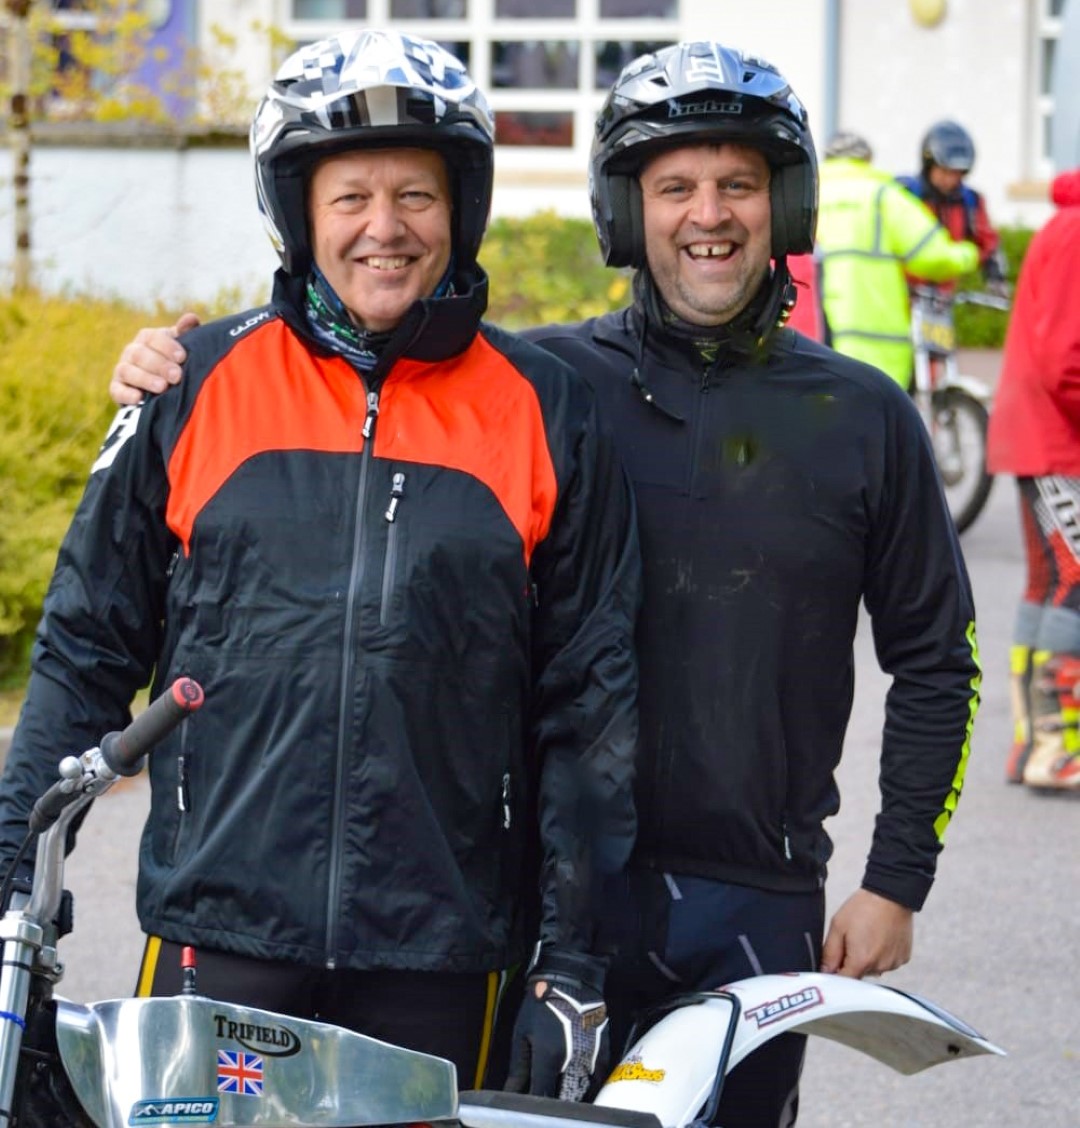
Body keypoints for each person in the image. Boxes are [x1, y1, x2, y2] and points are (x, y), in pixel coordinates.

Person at [110, 41, 982, 1128]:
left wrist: (897, 878)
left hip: (754, 902)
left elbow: (939, 661)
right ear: (625, 211)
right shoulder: (544, 386)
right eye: (675, 186)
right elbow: (354, 378)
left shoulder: (867, 419)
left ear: (786, 203)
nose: (709, 214)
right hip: (542, 901)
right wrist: (167, 370)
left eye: (739, 184)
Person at [0, 29, 643, 1103]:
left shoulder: (548, 409)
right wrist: (15, 890)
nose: (384, 228)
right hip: (220, 935)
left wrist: (572, 963)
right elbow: (82, 649)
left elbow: (591, 708)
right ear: (299, 213)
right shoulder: (191, 386)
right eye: (351, 198)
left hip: (444, 949)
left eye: (416, 196)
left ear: (461, 209)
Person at [986, 167, 1080, 791]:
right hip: (1057, 437)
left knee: (1050, 582)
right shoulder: (1076, 231)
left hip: (1043, 432)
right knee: (1074, 581)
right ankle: (1054, 745)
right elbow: (1065, 358)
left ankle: (1034, 742)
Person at [815, 129, 980, 389]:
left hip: (815, 336)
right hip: (877, 342)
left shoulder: (807, 194)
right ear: (866, 160)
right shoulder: (883, 196)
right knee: (881, 408)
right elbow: (933, 254)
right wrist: (968, 254)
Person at [897, 120, 1008, 295]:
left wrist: (996, 279)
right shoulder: (905, 195)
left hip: (943, 300)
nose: (950, 180)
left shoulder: (970, 202)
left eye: (957, 173)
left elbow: (989, 245)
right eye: (944, 171)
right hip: (902, 295)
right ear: (929, 165)